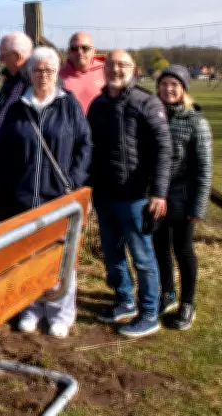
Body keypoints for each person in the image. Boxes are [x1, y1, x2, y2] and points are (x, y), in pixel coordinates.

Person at [0, 46, 92, 338]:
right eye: (38, 70)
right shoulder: (17, 107)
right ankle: (30, 309)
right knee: (26, 256)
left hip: (57, 197)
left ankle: (60, 313)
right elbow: (3, 151)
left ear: (57, 73)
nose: (43, 75)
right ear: (29, 73)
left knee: (60, 257)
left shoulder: (68, 105)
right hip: (23, 198)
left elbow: (85, 145)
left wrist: (74, 180)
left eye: (49, 70)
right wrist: (10, 185)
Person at [87, 49, 173, 338]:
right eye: (111, 65)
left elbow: (164, 149)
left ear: (133, 70)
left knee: (143, 258)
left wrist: (159, 192)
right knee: (112, 254)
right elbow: (90, 148)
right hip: (105, 195)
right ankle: (124, 300)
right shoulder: (98, 105)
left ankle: (149, 313)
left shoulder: (146, 102)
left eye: (122, 65)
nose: (116, 69)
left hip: (137, 197)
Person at [154, 65, 213, 330]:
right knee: (159, 248)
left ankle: (187, 302)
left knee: (183, 250)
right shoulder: (153, 116)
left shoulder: (195, 122)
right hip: (156, 198)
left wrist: (197, 207)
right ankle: (167, 292)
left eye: (174, 85)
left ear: (183, 89)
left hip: (183, 199)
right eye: (164, 84)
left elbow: (204, 168)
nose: (168, 89)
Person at [0, 31, 33, 148]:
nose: (0, 60)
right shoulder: (11, 78)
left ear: (17, 56)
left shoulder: (34, 81)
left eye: (3, 56)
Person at [58, 31, 106, 114]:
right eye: (74, 49)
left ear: (93, 51)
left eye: (85, 48)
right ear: (68, 52)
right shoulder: (58, 74)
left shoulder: (108, 70)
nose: (80, 52)